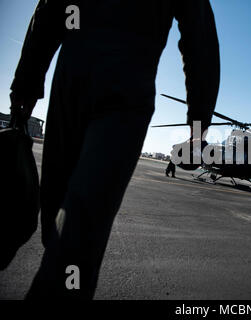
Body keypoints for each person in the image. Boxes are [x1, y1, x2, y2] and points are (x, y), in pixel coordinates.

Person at [10, 0, 220, 299]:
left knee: (76, 224)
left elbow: (50, 12)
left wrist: (24, 87)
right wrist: (25, 87)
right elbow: (200, 42)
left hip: (96, 87)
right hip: (108, 88)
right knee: (61, 216)